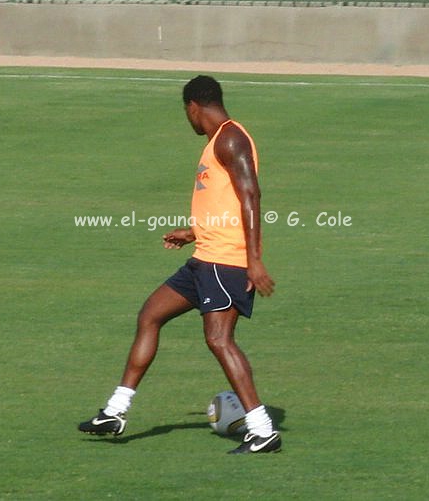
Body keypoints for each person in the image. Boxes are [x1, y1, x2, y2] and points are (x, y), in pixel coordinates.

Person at [79, 75, 281, 454]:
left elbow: (251, 195)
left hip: (226, 261)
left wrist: (254, 260)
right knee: (150, 315)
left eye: (185, 113)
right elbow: (226, 202)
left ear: (193, 106)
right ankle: (115, 411)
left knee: (219, 339)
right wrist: (193, 231)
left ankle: (262, 429)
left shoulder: (230, 138)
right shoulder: (217, 141)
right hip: (205, 256)